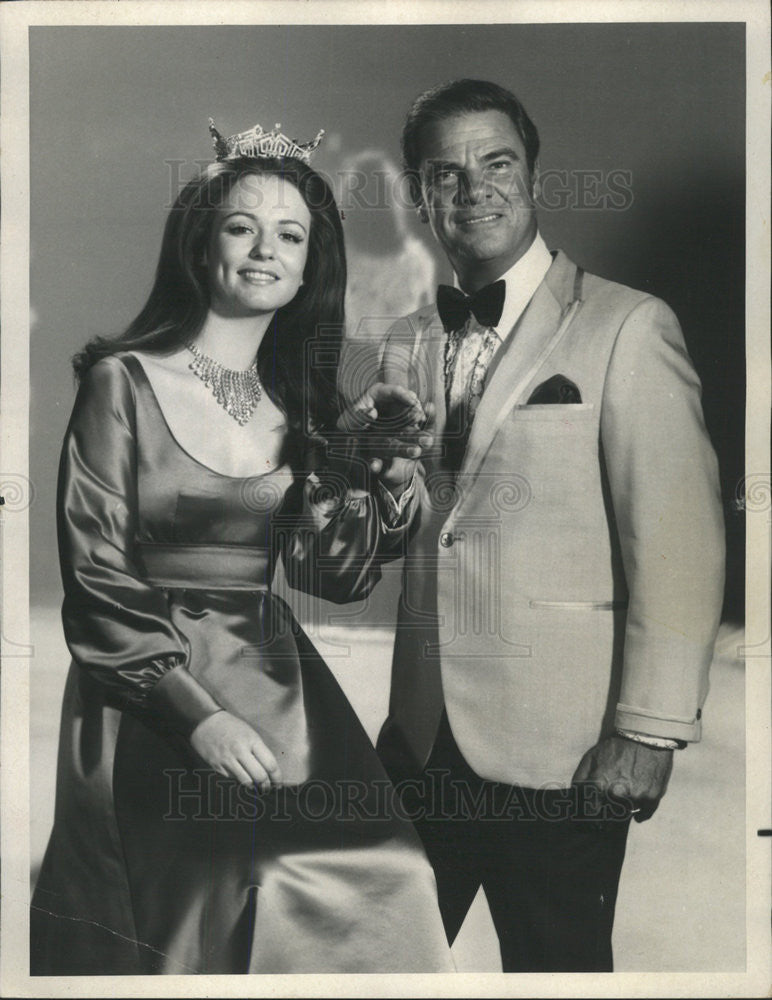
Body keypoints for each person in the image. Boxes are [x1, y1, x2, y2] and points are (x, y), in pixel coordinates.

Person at [30, 118, 454, 975]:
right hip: (146, 692)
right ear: (201, 244)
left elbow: (331, 575)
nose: (266, 250)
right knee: (242, 885)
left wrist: (386, 473)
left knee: (392, 873)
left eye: (290, 235)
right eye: (241, 227)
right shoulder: (123, 381)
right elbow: (96, 575)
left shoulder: (305, 414)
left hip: (280, 691)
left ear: (309, 267)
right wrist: (201, 718)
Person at [346, 79, 726, 972]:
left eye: (497, 162)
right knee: (365, 970)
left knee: (558, 976)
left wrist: (648, 729)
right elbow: (411, 530)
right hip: (419, 738)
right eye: (446, 172)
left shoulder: (629, 326)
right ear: (417, 193)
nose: (473, 188)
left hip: (565, 752)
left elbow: (680, 544)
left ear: (534, 176)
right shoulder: (402, 340)